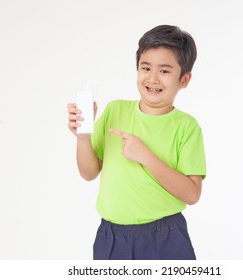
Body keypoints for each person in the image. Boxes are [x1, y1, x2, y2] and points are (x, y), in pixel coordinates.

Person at [67, 25, 206, 260]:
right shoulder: (115, 111)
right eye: (145, 68)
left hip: (165, 236)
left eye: (164, 71)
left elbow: (192, 194)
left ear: (184, 79)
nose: (152, 78)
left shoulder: (186, 126)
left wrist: (146, 157)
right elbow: (88, 173)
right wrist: (83, 137)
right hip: (111, 237)